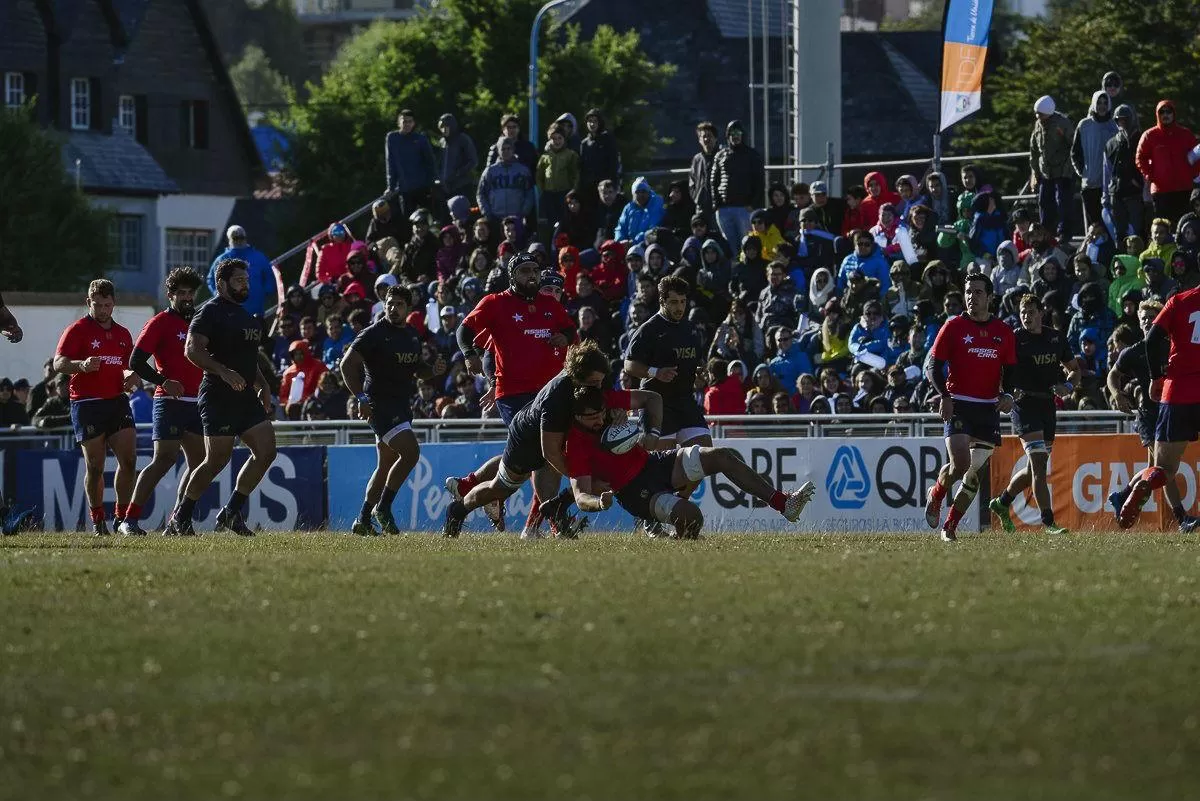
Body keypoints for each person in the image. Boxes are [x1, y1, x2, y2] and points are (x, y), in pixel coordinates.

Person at [564, 387, 816, 538]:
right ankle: (679, 542)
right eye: (592, 418)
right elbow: (580, 494)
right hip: (634, 492)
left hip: (655, 464)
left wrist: (649, 432)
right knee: (693, 518)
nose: (599, 420)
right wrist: (599, 502)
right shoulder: (575, 444)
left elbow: (652, 399)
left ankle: (784, 504)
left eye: (601, 414)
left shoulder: (607, 406)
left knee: (723, 456)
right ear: (577, 416)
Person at [449, 259, 576, 537]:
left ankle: (463, 500)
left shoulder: (550, 306)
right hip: (514, 395)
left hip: (551, 392)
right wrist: (469, 356)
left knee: (512, 477)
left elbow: (571, 331)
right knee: (547, 451)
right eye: (524, 271)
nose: (531, 276)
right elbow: (465, 332)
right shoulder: (495, 303)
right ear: (511, 275)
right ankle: (554, 524)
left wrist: (565, 338)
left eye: (534, 270)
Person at [441, 341, 619, 538]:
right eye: (595, 382)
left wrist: (619, 412)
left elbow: (617, 400)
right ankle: (457, 511)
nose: (599, 386)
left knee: (555, 482)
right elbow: (549, 452)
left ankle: (559, 525)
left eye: (600, 381)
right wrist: (582, 480)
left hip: (552, 435)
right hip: (528, 438)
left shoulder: (594, 379)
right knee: (500, 489)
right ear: (579, 375)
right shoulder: (557, 395)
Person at [168, 259, 277, 537]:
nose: (245, 284)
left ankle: (231, 512)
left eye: (246, 280)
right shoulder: (208, 312)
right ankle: (181, 517)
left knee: (266, 451)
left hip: (245, 397)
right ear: (221, 284)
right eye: (239, 280)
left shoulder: (246, 315)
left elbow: (247, 360)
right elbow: (191, 350)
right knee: (216, 460)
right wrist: (223, 372)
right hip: (218, 396)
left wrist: (263, 385)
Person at [340, 285, 440, 536]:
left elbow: (418, 370)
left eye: (399, 304)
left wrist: (434, 370)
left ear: (408, 309)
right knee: (410, 453)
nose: (393, 308)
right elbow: (346, 365)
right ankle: (383, 508)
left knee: (385, 465)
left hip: (401, 404)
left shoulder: (411, 335)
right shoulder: (373, 333)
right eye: (390, 303)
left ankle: (362, 519)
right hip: (379, 405)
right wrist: (360, 397)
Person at [924, 274, 1017, 542]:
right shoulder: (953, 326)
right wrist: (944, 396)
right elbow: (933, 366)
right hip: (959, 404)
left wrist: (1007, 394)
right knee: (961, 464)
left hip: (988, 409)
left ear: (989, 297)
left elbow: (1010, 370)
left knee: (974, 473)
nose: (971, 297)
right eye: (968, 292)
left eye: (977, 292)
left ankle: (950, 526)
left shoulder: (1003, 332)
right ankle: (937, 495)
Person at [988, 295, 1081, 535]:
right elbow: (997, 369)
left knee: (1032, 471)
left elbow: (1074, 370)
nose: (1026, 316)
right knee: (1039, 466)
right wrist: (1004, 393)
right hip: (1023, 405)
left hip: (1047, 406)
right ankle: (1048, 522)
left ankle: (1002, 502)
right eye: (1023, 312)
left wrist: (1068, 387)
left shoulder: (1055, 338)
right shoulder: (1015, 339)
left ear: (1041, 313)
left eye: (1031, 311)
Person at [125, 267, 207, 536]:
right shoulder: (160, 322)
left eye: (190, 293)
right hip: (169, 401)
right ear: (170, 295)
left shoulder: (199, 321)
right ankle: (129, 519)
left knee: (200, 461)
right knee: (164, 459)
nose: (186, 298)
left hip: (196, 401)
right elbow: (135, 361)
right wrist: (163, 381)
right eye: (181, 293)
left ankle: (177, 520)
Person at [1112, 283, 1200, 532]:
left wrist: (1155, 378)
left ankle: (1137, 488)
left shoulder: (1179, 302)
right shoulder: (1132, 352)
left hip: (1177, 393)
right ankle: (1180, 517)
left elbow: (1152, 339)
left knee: (1164, 469)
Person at [53, 279, 137, 535]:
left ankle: (123, 519)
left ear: (114, 304)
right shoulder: (77, 330)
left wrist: (131, 376)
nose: (102, 310)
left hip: (117, 400)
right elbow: (58, 363)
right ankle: (98, 519)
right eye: (97, 305)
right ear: (88, 302)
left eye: (107, 305)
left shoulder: (123, 334)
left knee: (129, 460)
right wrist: (81, 365)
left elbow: (129, 365)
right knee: (96, 466)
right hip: (87, 403)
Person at [1107, 301, 1163, 490]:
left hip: (1170, 410)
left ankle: (1122, 496)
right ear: (1139, 322)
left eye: (1151, 317)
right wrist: (1117, 394)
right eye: (1143, 318)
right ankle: (1180, 515)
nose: (1147, 321)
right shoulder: (1134, 351)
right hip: (1148, 414)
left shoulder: (1172, 346)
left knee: (1153, 468)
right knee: (1160, 466)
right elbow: (1112, 375)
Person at [1136, 100, 1200, 226]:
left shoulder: (1185, 134)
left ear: (1174, 113)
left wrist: (1191, 174)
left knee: (1186, 227)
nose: (1165, 115)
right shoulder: (1149, 135)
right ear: (1157, 114)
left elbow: (1197, 157)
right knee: (1165, 229)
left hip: (1185, 189)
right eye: (1162, 112)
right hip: (1161, 192)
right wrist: (1152, 176)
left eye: (1168, 111)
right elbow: (1140, 158)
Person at [710, 120, 764, 248]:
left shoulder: (752, 155)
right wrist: (716, 204)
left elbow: (759, 181)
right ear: (728, 135)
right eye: (732, 133)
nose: (735, 136)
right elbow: (713, 181)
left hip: (744, 208)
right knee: (729, 246)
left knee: (747, 244)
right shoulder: (720, 155)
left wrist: (753, 204)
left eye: (738, 132)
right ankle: (734, 268)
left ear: (743, 134)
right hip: (724, 208)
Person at [1071, 90, 1118, 233]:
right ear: (1093, 103)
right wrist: (1083, 172)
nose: (1102, 106)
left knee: (1111, 225)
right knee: (1095, 227)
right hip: (1090, 184)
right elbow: (1075, 152)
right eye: (1099, 102)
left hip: (1109, 186)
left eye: (1105, 103)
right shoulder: (1084, 125)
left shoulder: (1114, 126)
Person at [1029, 95, 1075, 239]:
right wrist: (1035, 173)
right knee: (1044, 202)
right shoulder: (1038, 125)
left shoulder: (1063, 123)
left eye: (1040, 114)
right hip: (1046, 172)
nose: (1038, 117)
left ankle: (1064, 234)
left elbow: (1073, 145)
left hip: (1062, 171)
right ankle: (1046, 234)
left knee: (1062, 202)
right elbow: (1034, 150)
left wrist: (1069, 168)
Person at [206, 225, 277, 317]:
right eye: (235, 238)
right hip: (230, 312)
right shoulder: (221, 259)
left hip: (255, 311)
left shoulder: (259, 257)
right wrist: (218, 294)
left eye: (241, 237)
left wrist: (264, 292)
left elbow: (269, 276)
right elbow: (211, 279)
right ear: (229, 240)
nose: (239, 241)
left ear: (245, 238)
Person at [385, 109, 438, 215]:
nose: (407, 124)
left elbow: (430, 162)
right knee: (407, 221)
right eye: (404, 121)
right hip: (405, 189)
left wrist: (431, 183)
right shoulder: (392, 138)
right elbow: (390, 164)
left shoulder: (421, 139)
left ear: (413, 123)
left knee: (427, 217)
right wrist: (390, 186)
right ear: (399, 122)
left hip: (423, 187)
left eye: (410, 122)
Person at [1104, 104, 1145, 241]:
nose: (1123, 123)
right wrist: (1106, 194)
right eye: (1119, 120)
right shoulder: (1111, 143)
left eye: (1125, 119)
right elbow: (1107, 171)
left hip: (1135, 193)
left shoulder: (1142, 139)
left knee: (1138, 232)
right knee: (1119, 234)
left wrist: (1140, 184)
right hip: (1116, 194)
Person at [477, 137, 534, 227]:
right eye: (503, 149)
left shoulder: (523, 171)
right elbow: (481, 194)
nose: (506, 151)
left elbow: (529, 194)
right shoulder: (490, 171)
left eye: (509, 148)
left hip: (516, 219)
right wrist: (487, 213)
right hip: (495, 219)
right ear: (498, 151)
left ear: (513, 150)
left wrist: (523, 213)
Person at [578, 108, 621, 209]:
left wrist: (613, 184)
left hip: (605, 186)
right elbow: (582, 166)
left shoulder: (608, 139)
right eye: (589, 121)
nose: (592, 124)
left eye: (595, 121)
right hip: (589, 187)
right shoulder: (584, 143)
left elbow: (613, 162)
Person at [436, 113, 478, 200]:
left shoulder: (463, 139)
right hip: (445, 187)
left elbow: (473, 161)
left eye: (446, 126)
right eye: (441, 127)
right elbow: (440, 163)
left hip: (462, 185)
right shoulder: (441, 142)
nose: (444, 130)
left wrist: (458, 173)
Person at [614, 177, 664, 245]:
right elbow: (620, 227)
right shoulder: (628, 208)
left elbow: (653, 230)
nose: (640, 195)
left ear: (649, 192)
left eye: (643, 191)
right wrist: (620, 241)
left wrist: (634, 242)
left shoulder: (656, 206)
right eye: (637, 192)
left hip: (648, 245)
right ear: (633, 194)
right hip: (627, 245)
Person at [689, 121, 720, 225]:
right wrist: (697, 198)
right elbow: (692, 182)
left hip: (718, 206)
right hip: (701, 206)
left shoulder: (721, 157)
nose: (706, 139)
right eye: (703, 137)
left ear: (715, 138)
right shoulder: (697, 159)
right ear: (699, 140)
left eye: (709, 136)